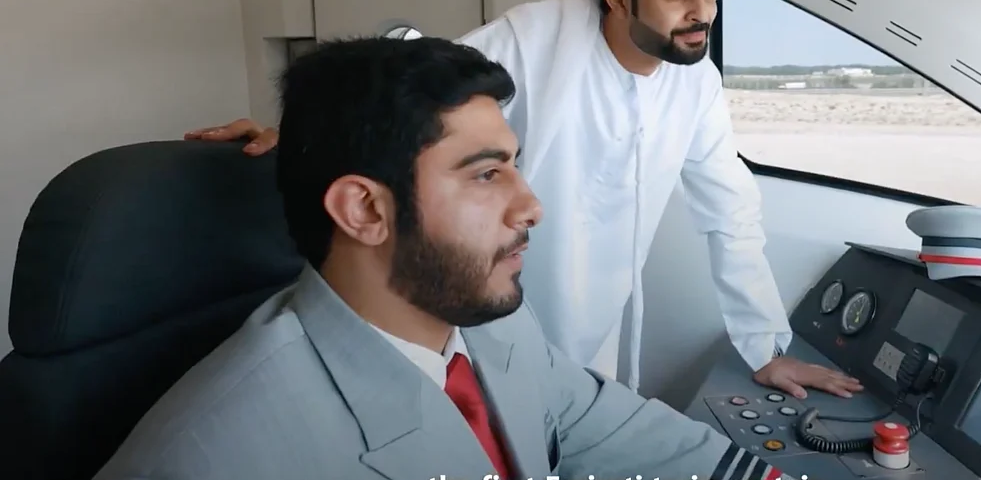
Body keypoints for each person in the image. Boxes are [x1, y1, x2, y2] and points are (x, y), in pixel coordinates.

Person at [186, 0, 862, 400]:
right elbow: (409, 89)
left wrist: (765, 347)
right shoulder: (535, 42)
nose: (702, 10)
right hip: (497, 314)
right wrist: (306, 130)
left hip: (599, 325)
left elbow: (731, 210)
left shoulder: (698, 86)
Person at [97, 36, 801, 480]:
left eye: (515, 167)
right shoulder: (210, 453)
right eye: (486, 173)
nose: (532, 206)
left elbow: (625, 431)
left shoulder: (492, 330)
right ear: (366, 210)